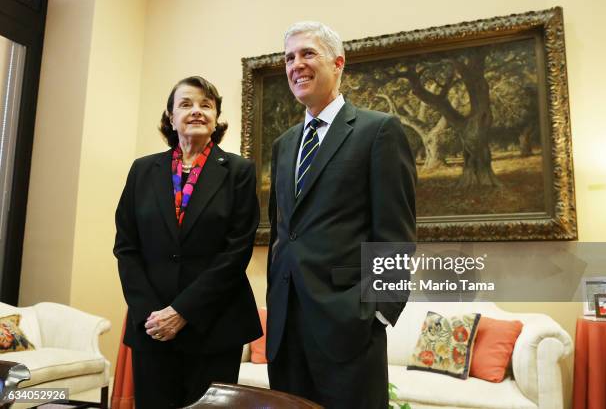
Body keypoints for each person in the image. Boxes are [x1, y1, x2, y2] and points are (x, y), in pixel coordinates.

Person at [266, 22, 417, 408]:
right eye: (288, 58)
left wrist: (377, 314)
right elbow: (283, 235)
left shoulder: (378, 131)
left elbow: (394, 236)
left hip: (348, 331)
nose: (295, 65)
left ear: (338, 63)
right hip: (286, 331)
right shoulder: (283, 146)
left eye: (307, 54)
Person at [114, 76, 262, 408]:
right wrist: (152, 314)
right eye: (186, 104)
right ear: (170, 116)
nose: (196, 111)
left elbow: (236, 251)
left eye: (205, 105)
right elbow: (126, 246)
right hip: (152, 329)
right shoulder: (142, 170)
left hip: (214, 327)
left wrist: (181, 312)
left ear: (217, 117)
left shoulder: (239, 170)